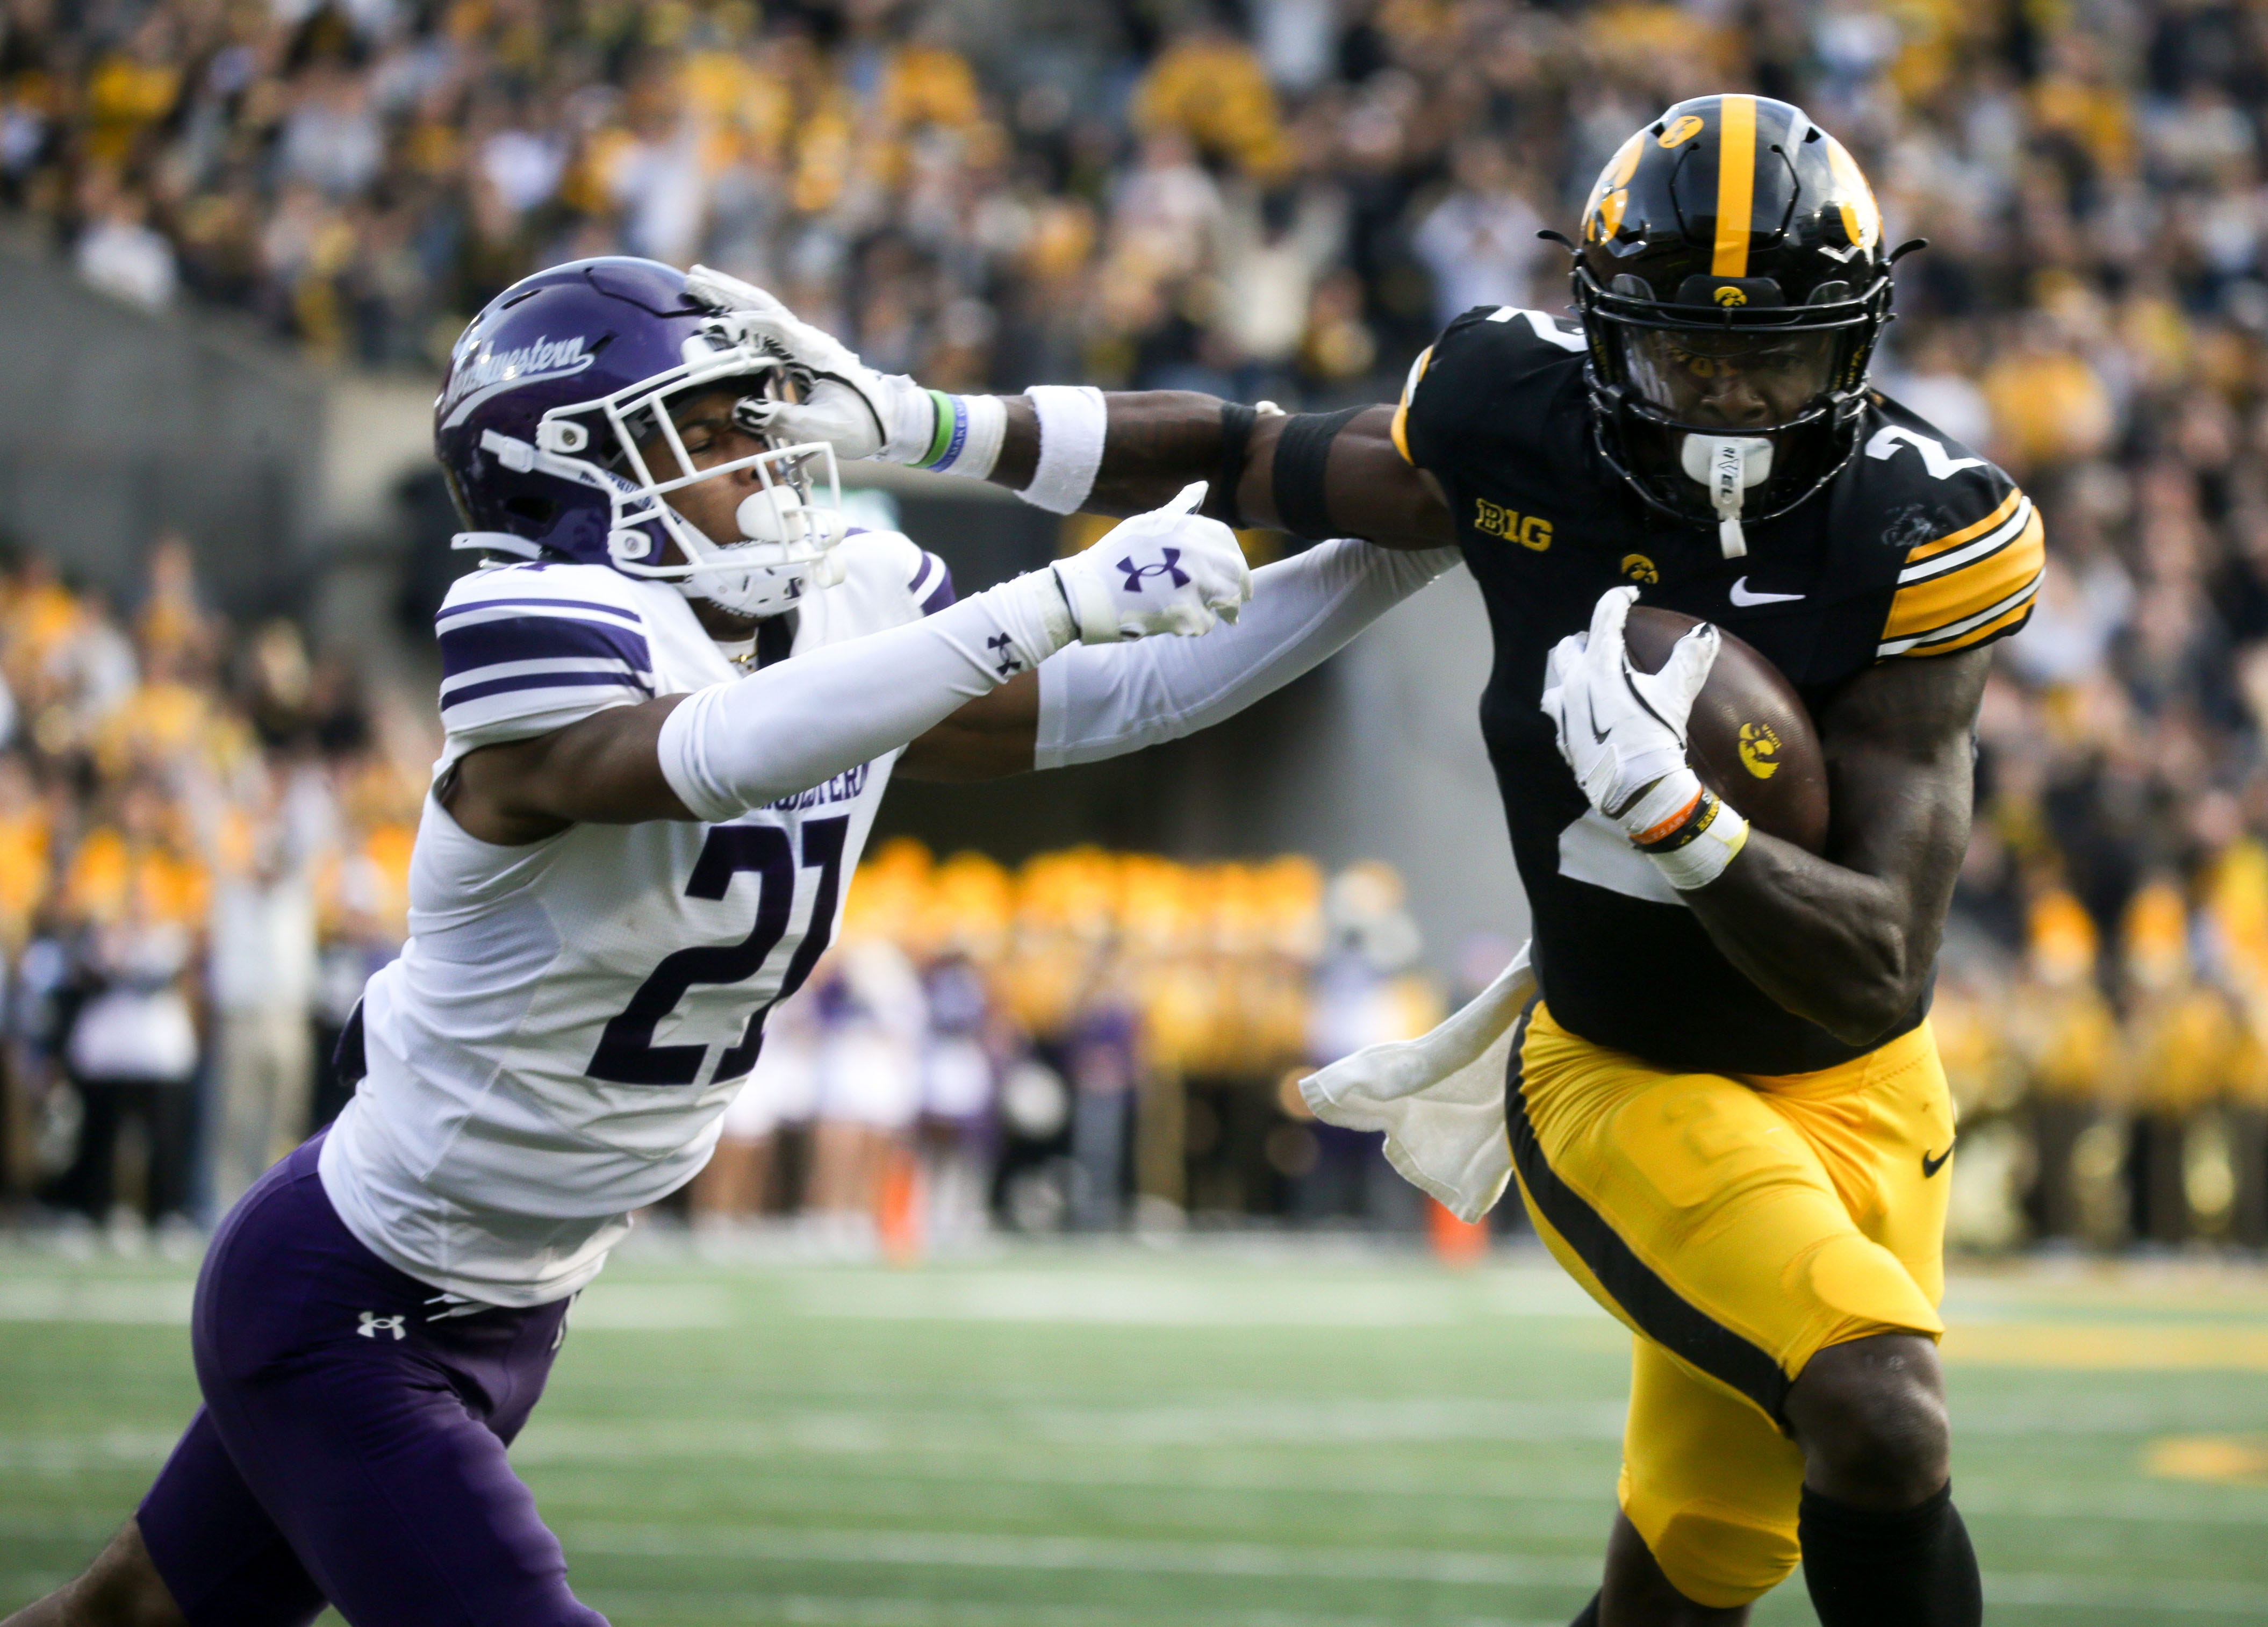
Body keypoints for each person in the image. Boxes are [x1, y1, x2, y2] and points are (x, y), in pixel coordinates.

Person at [9, 254, 1459, 1627]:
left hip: (515, 1298)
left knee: (127, 1614)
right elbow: (711, 753)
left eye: (758, 422)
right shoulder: (532, 620)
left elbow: (1134, 701)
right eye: (706, 430)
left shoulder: (841, 615)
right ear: (574, 465)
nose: (766, 464)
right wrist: (1046, 601)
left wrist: (1426, 548)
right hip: (353, 1296)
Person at [742, 94, 2033, 1627]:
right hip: (1620, 1072)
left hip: (1865, 1085)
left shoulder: (1915, 524)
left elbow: (1880, 954)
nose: (1729, 402)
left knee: (1691, 1566)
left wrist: (1683, 821)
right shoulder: (1515, 418)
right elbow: (1250, 453)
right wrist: (929, 424)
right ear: (1603, 328)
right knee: (1878, 1408)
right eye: (1687, 352)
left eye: (1775, 357)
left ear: (1857, 342)